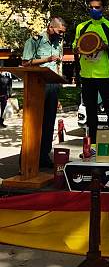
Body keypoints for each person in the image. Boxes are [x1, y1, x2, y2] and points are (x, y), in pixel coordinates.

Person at [73, 0, 109, 157]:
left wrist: (103, 46)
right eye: (91, 7)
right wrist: (80, 48)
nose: (94, 10)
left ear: (103, 8)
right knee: (90, 110)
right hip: (86, 74)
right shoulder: (81, 27)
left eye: (97, 7)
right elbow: (75, 46)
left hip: (104, 74)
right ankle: (90, 145)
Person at [22, 17, 66, 168]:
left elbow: (57, 67)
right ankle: (26, 159)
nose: (61, 35)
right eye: (59, 31)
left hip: (52, 86)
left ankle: (43, 156)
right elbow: (25, 62)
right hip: (37, 85)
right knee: (34, 123)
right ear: (50, 27)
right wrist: (46, 59)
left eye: (63, 32)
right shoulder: (34, 41)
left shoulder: (58, 43)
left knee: (49, 123)